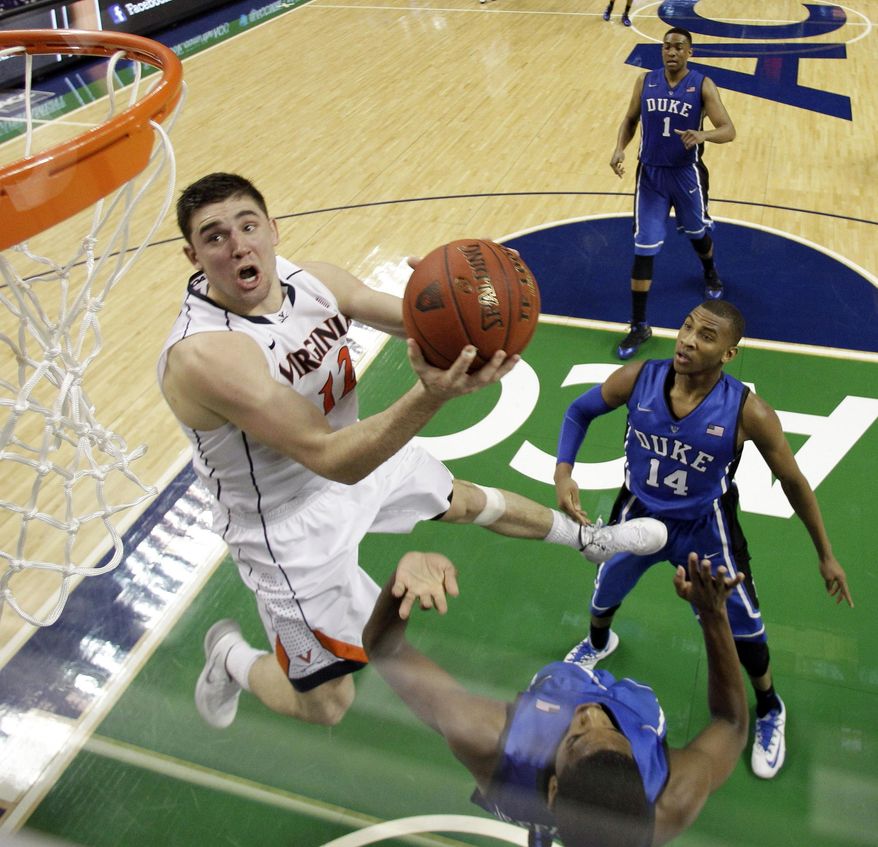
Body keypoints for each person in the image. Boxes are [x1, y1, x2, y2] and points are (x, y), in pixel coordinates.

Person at [157, 173, 668, 730]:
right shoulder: (205, 355)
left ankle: (589, 540)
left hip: (353, 455)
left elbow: (421, 323)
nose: (237, 245)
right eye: (214, 236)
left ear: (273, 230)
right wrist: (430, 395)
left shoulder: (317, 282)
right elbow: (332, 458)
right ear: (193, 255)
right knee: (327, 705)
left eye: (248, 225)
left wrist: (472, 303)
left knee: (464, 500)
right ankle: (231, 657)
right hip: (287, 524)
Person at [553, 298, 854, 779]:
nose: (689, 340)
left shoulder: (747, 411)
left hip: (704, 529)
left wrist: (826, 554)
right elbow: (578, 412)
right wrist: (563, 471)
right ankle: (598, 642)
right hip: (638, 512)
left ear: (729, 353)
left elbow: (795, 482)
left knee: (745, 627)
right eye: (688, 327)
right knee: (606, 588)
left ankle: (770, 705)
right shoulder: (640, 379)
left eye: (707, 336)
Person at [363, 549, 749, 847]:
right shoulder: (671, 800)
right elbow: (731, 725)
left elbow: (384, 650)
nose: (592, 712)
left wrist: (401, 580)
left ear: (552, 791)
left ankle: (544, 828)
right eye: (614, 735)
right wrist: (713, 617)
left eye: (578, 737)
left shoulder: (486, 737)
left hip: (545, 716)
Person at [610, 27, 736, 360]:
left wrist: (703, 134)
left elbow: (729, 129)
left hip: (685, 175)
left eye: (679, 47)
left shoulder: (703, 85)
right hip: (650, 175)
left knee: (696, 232)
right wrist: (619, 148)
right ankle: (639, 324)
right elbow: (630, 118)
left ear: (689, 52)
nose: (671, 52)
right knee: (644, 247)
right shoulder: (645, 81)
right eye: (666, 46)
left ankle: (709, 270)